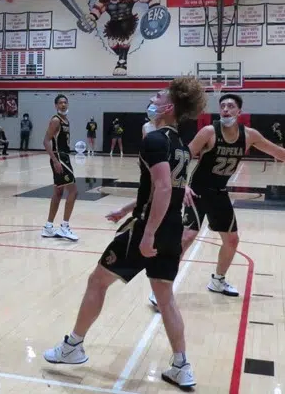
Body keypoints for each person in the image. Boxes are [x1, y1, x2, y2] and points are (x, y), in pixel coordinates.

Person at [43, 76, 207, 389]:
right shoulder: (182, 148)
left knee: (97, 281)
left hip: (149, 229)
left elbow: (161, 188)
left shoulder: (155, 140)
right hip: (173, 228)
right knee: (165, 297)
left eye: (158, 95)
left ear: (169, 105)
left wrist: (146, 235)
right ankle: (181, 365)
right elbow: (169, 190)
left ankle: (73, 347)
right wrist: (129, 207)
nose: (153, 98)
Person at [149, 93, 285, 308]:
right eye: (223, 106)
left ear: (239, 111)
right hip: (199, 191)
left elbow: (277, 151)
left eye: (231, 106)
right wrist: (183, 185)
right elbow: (184, 156)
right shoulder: (209, 131)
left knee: (232, 240)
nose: (226, 109)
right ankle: (162, 288)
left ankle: (218, 281)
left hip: (220, 192)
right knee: (187, 236)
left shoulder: (249, 135)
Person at [42, 94, 78, 241]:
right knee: (74, 191)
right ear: (56, 105)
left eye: (65, 102)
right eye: (60, 103)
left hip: (64, 156)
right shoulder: (56, 120)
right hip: (60, 158)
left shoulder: (65, 120)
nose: (63, 105)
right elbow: (45, 141)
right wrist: (55, 160)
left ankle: (48, 227)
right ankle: (64, 227)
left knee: (58, 193)